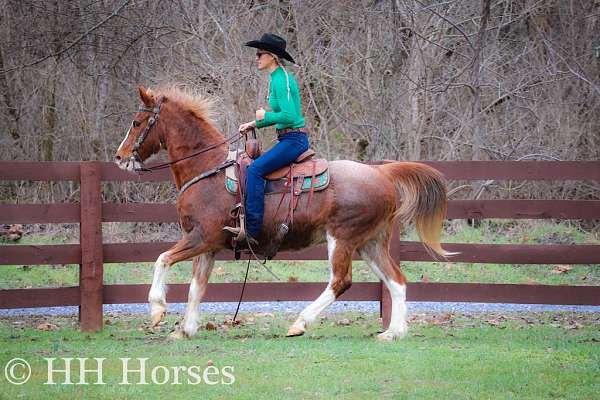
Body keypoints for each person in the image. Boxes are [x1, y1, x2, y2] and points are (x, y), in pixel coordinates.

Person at [224, 33, 309, 245]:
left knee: (254, 170)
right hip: (287, 139)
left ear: (272, 56)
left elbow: (290, 116)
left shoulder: (282, 79)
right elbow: (281, 116)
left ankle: (252, 231)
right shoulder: (276, 78)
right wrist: (253, 124)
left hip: (294, 141)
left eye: (260, 53)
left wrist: (265, 116)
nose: (256, 58)